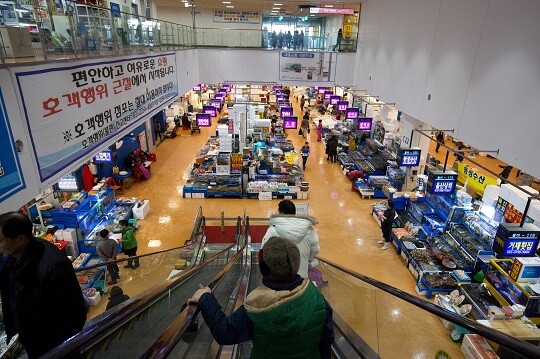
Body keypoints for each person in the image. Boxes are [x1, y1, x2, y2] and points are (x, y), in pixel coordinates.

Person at [188, 236, 334, 359]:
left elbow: (225, 332)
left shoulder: (257, 306)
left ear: (263, 268)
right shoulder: (317, 298)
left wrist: (205, 297)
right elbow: (327, 341)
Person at [0, 212, 87, 358]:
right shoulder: (10, 260)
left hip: (52, 350)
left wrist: (53, 351)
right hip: (29, 342)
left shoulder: (54, 267)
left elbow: (74, 316)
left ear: (20, 240)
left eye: (0, 241)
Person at [262, 200, 319, 279]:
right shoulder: (308, 229)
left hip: (279, 277)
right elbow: (316, 249)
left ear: (281, 213)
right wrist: (308, 260)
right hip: (301, 276)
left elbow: (263, 250)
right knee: (300, 290)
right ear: (294, 212)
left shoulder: (273, 230)